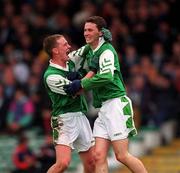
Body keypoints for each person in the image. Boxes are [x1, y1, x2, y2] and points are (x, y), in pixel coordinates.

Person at [64, 16, 147, 173]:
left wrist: (81, 83)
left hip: (116, 104)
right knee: (98, 156)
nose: (86, 33)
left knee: (121, 155)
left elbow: (107, 76)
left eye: (90, 30)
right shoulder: (89, 49)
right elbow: (70, 58)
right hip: (103, 107)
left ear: (100, 33)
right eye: (84, 30)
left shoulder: (107, 51)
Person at [43, 34, 95, 173]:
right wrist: (92, 72)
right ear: (55, 50)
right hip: (63, 119)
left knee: (91, 163)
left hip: (80, 115)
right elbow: (76, 90)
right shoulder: (51, 76)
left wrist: (100, 37)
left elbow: (86, 49)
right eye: (65, 44)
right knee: (63, 164)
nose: (69, 47)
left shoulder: (70, 60)